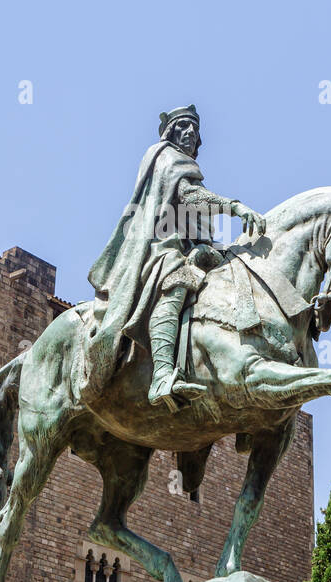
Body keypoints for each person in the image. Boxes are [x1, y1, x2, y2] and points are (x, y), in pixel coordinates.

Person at [85, 105, 265, 411]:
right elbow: (189, 198)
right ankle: (162, 376)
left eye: (195, 130)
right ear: (171, 132)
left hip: (191, 249)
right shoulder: (166, 160)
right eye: (184, 127)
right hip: (160, 248)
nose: (191, 133)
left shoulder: (190, 172)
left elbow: (194, 217)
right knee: (176, 281)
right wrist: (234, 207)